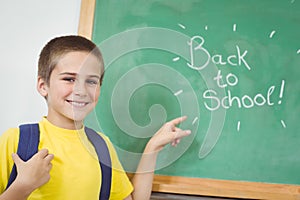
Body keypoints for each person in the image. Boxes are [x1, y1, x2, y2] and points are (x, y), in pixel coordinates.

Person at [0, 35, 191, 200]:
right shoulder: (17, 141)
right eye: (69, 79)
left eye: (91, 81)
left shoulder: (101, 146)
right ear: (43, 85)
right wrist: (23, 186)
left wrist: (153, 147)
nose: (81, 90)